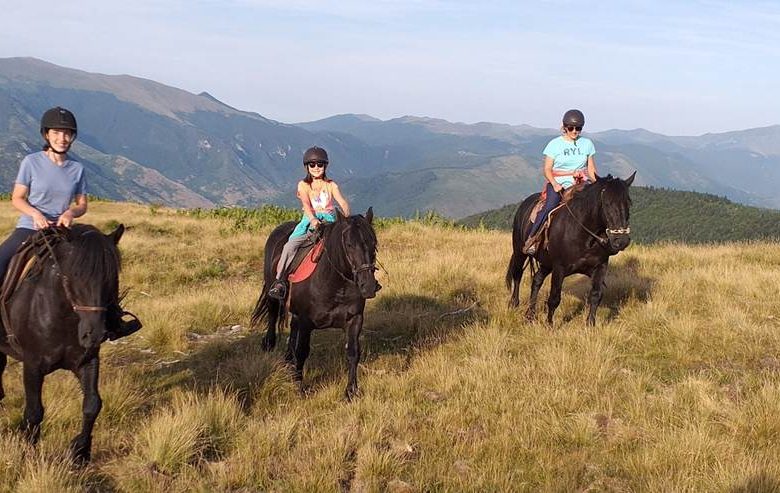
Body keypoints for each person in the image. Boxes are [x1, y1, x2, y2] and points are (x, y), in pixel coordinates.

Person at [0, 106, 140, 340]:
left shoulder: (77, 169)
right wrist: (35, 214)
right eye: (56, 132)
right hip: (30, 227)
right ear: (46, 135)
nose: (62, 138)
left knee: (96, 271)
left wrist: (70, 213)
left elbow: (82, 204)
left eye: (67, 134)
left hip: (63, 231)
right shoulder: (31, 162)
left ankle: (113, 321)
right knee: (1, 261)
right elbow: (17, 198)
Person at [268, 146, 351, 300]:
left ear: (325, 166)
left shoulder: (332, 185)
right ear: (307, 167)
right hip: (310, 221)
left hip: (330, 220)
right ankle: (279, 282)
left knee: (351, 244)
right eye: (312, 165)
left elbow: (342, 202)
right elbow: (306, 204)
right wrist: (313, 220)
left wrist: (346, 215)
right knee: (290, 246)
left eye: (320, 164)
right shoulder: (303, 185)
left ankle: (360, 278)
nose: (316, 168)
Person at [522, 109, 598, 255]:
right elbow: (547, 169)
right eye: (571, 128)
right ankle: (533, 238)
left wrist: (600, 184)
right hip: (559, 181)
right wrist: (555, 184)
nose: (575, 131)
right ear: (564, 127)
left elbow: (591, 170)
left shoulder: (587, 144)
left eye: (578, 128)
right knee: (550, 205)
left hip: (581, 182)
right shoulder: (554, 144)